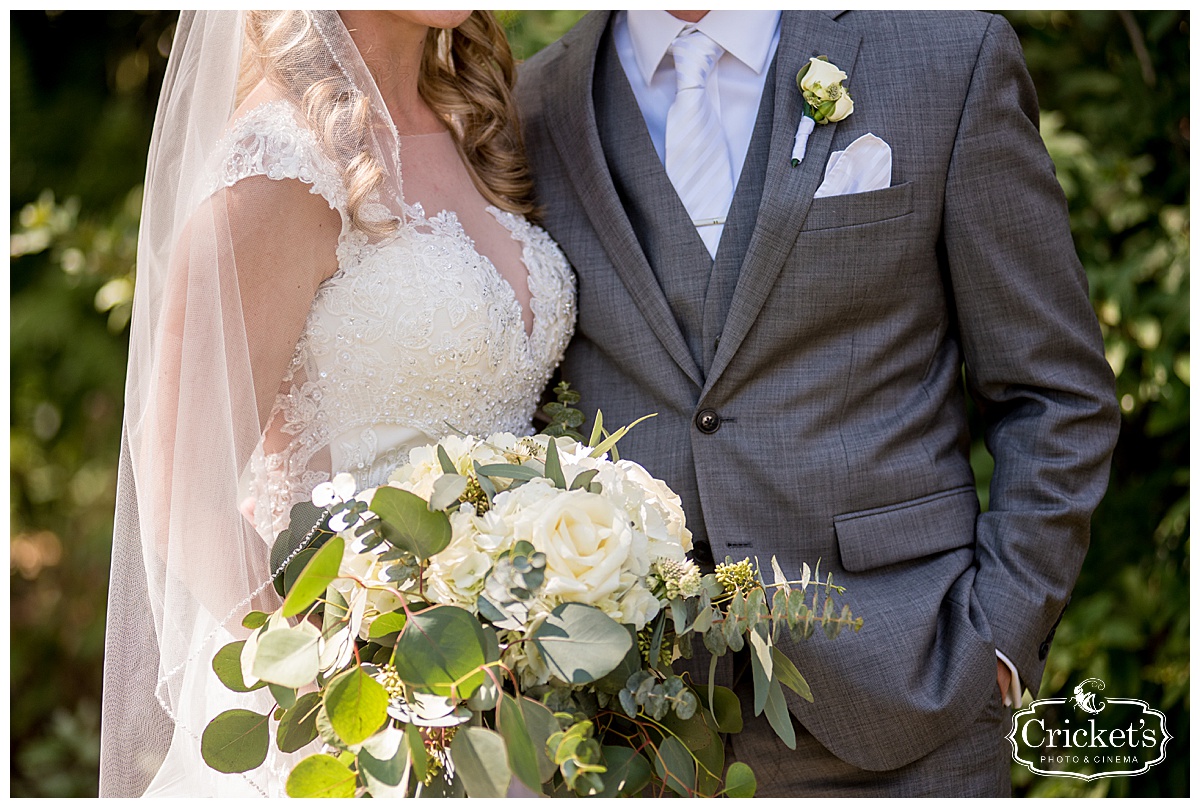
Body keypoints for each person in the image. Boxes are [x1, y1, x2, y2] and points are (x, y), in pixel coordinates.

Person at [517, 9, 1119, 796]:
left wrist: (999, 642)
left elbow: (1054, 389)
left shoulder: (942, 54)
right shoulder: (534, 104)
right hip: (632, 732)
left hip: (909, 694)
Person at [99, 10, 574, 797]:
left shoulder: (476, 122)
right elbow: (181, 484)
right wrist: (346, 688)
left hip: (508, 701)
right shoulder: (280, 158)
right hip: (356, 726)